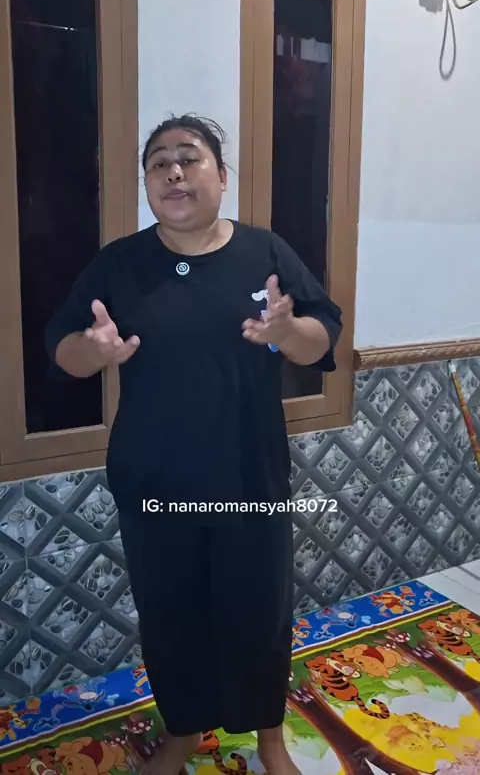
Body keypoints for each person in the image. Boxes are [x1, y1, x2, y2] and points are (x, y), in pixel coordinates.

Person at [45, 115, 342, 775]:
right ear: (148, 184)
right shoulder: (120, 263)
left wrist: (285, 333)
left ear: (222, 177)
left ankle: (268, 737)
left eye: (189, 157)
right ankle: (181, 733)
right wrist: (93, 351)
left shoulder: (265, 253)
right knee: (170, 613)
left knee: (259, 610)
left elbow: (322, 337)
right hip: (154, 480)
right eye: (158, 162)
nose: (173, 172)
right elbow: (63, 349)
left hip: (249, 477)